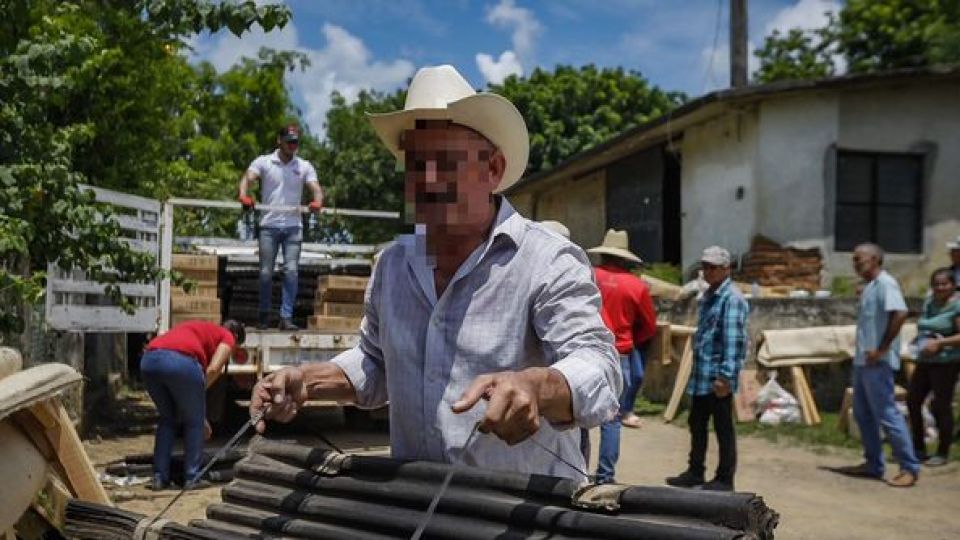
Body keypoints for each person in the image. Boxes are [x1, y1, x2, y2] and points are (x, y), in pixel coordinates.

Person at [248, 65, 622, 481]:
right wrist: (306, 381)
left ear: (493, 170)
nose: (426, 179)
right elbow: (376, 361)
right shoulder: (392, 265)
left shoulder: (546, 260)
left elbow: (600, 367)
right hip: (415, 504)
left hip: (517, 515)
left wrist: (537, 386)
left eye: (446, 162)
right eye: (415, 163)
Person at [837, 243, 920, 487]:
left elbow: (901, 314)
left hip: (878, 361)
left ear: (875, 260)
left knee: (887, 414)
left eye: (859, 259)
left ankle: (909, 467)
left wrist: (882, 348)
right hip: (864, 361)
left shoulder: (886, 283)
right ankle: (873, 464)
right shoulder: (871, 287)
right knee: (863, 414)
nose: (855, 264)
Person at [666, 246, 748, 492]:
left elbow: (733, 341)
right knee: (697, 423)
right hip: (702, 375)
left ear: (726, 269)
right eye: (705, 266)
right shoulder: (710, 296)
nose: (708, 271)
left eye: (713, 267)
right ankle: (695, 471)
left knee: (723, 428)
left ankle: (725, 478)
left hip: (717, 376)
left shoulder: (731, 299)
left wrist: (726, 376)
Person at [141, 319, 245, 490]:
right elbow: (213, 369)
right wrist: (197, 395)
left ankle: (159, 478)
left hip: (149, 361)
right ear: (235, 336)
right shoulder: (227, 336)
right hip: (180, 362)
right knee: (195, 423)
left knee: (168, 419)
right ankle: (192, 477)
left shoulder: (200, 327)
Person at [238, 123, 324, 330]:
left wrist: (317, 201)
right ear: (280, 141)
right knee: (266, 273)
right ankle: (264, 315)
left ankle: (286, 317)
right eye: (289, 142)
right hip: (269, 225)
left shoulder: (303, 166)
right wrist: (243, 195)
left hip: (293, 226)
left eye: (295, 142)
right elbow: (247, 178)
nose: (293, 146)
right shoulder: (265, 162)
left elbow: (316, 189)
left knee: (291, 271)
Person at [587, 229, 656, 483]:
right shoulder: (637, 286)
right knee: (611, 419)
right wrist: (631, 339)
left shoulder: (589, 276)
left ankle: (574, 471)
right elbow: (649, 325)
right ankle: (605, 476)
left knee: (574, 415)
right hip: (619, 355)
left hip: (583, 353)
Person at [907, 268, 960, 466]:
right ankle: (918, 447)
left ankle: (942, 452)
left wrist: (940, 343)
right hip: (925, 360)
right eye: (936, 284)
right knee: (913, 401)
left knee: (941, 405)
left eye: (944, 284)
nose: (940, 288)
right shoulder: (929, 303)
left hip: (947, 363)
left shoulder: (956, 307)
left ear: (953, 285)